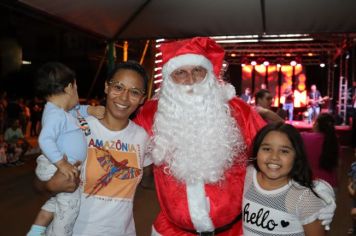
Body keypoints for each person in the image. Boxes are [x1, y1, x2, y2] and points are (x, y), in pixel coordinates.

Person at [134, 37, 335, 235]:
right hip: (171, 231)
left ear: (209, 75)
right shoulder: (151, 115)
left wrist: (316, 188)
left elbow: (281, 149)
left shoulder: (238, 111)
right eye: (180, 73)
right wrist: (104, 117)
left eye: (198, 71)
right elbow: (121, 144)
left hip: (233, 231)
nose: (191, 80)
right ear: (169, 79)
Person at [34, 61, 151, 236]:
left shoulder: (142, 137)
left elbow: (149, 180)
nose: (124, 98)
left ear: (142, 99)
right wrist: (49, 186)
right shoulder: (74, 126)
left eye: (134, 92)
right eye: (118, 87)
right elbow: (39, 180)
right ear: (106, 87)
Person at [27, 62, 106, 236]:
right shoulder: (55, 115)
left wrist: (91, 110)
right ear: (70, 87)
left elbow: (79, 111)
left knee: (61, 201)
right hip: (56, 166)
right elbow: (45, 139)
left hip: (57, 165)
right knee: (70, 208)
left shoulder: (63, 110)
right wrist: (62, 163)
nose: (78, 92)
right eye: (77, 87)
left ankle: (38, 227)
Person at [243, 122, 331, 235]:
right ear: (257, 151)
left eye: (284, 151)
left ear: (296, 156)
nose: (274, 157)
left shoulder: (304, 199)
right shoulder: (247, 175)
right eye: (266, 149)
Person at [301, 113, 339, 189]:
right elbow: (338, 168)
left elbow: (288, 131)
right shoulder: (334, 142)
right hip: (330, 185)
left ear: (317, 124)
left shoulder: (305, 137)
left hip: (309, 184)